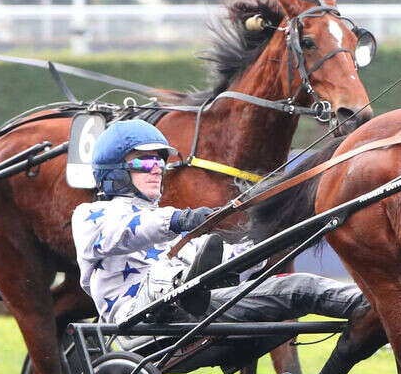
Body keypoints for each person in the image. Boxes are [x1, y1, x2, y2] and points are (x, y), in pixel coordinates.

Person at [70, 118, 365, 328]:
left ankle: (368, 307)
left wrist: (273, 242)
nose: (157, 170)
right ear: (116, 172)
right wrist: (182, 218)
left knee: (299, 287)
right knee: (183, 270)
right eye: (146, 163)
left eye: (161, 163)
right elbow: (130, 228)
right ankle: (187, 285)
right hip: (137, 319)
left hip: (197, 310)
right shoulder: (90, 216)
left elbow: (226, 255)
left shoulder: (174, 232)